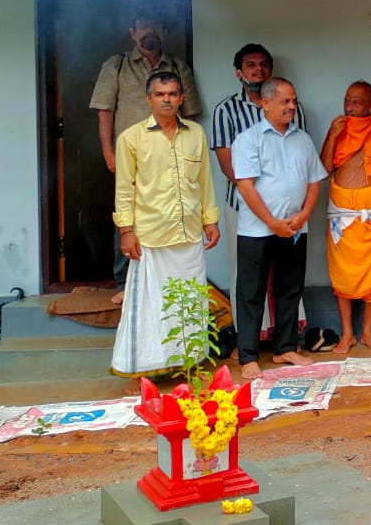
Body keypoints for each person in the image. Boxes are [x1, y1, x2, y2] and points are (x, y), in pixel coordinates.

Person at [109, 73, 220, 377]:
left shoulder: (196, 133)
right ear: (149, 99)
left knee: (190, 300)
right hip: (150, 236)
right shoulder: (131, 138)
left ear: (181, 98)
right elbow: (124, 188)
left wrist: (210, 219)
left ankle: (188, 363)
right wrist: (126, 231)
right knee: (149, 306)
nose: (167, 99)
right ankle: (143, 367)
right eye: (160, 94)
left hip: (189, 235)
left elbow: (205, 181)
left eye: (172, 93)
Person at [89, 6, 201, 289]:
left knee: (171, 210)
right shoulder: (115, 65)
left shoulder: (178, 68)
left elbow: (190, 116)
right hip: (130, 155)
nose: (149, 32)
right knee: (127, 213)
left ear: (164, 31)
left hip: (172, 155)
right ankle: (124, 283)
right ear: (132, 32)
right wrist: (108, 152)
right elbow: (105, 110)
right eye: (143, 27)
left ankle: (164, 281)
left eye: (155, 27)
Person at [231, 78, 325, 379]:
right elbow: (245, 186)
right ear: (265, 103)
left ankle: (285, 347)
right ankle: (248, 356)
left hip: (296, 227)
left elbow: (314, 181)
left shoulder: (303, 139)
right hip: (257, 229)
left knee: (290, 288)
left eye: (294, 101)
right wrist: (273, 223)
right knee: (251, 293)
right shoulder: (248, 139)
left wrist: (304, 214)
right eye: (285, 102)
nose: (291, 107)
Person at [210, 43, 307, 333]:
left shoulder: (292, 107)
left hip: (287, 210)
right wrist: (263, 204)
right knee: (247, 274)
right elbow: (230, 169)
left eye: (264, 64)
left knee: (286, 273)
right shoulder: (226, 110)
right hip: (242, 205)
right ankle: (248, 339)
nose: (258, 70)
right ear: (239, 73)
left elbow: (298, 156)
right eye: (251, 65)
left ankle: (284, 336)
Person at [319, 81, 371, 355]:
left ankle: (367, 331)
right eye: (347, 101)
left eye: (357, 102)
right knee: (342, 277)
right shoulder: (337, 130)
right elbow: (323, 170)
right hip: (342, 218)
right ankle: (347, 334)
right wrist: (332, 137)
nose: (350, 107)